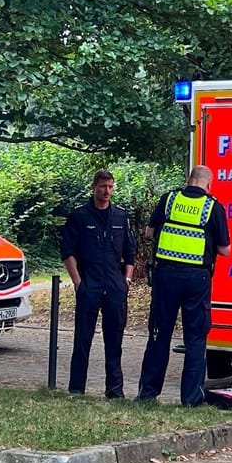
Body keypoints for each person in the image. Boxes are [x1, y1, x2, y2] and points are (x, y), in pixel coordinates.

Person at [137, 164, 232, 406]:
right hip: (196, 280)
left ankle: (148, 394)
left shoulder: (169, 199)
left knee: (159, 335)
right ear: (208, 184)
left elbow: (148, 233)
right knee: (195, 339)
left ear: (189, 180)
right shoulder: (213, 207)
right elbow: (225, 250)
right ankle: (190, 399)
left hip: (165, 277)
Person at [61, 170, 137, 398]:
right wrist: (77, 282)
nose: (107, 192)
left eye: (111, 187)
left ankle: (115, 390)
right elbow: (67, 251)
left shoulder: (120, 217)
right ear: (93, 187)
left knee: (114, 339)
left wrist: (127, 280)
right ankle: (76, 389)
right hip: (90, 284)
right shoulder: (79, 216)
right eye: (103, 186)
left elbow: (130, 252)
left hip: (114, 285)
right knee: (83, 338)